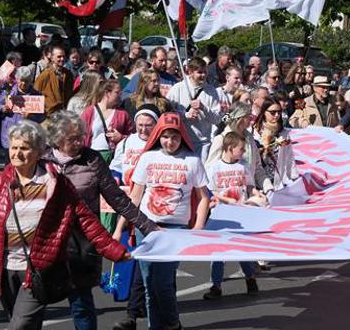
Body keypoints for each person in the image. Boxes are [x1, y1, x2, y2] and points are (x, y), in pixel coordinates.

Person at [0, 120, 130, 330]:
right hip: (5, 269)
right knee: (26, 324)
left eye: (24, 148)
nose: (17, 153)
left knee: (19, 326)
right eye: (14, 147)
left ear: (38, 152)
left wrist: (114, 250)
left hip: (37, 269)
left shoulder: (55, 184)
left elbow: (86, 220)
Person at [129, 112, 210, 330]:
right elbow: (135, 196)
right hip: (146, 227)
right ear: (158, 136)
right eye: (165, 136)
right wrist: (123, 227)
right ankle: (155, 326)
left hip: (176, 229)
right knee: (148, 285)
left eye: (174, 137)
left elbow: (204, 197)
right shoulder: (148, 158)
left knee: (162, 283)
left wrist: (199, 228)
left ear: (181, 136)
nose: (170, 141)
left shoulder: (192, 160)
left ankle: (172, 323)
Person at [109, 104, 160, 330]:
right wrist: (115, 179)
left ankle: (137, 308)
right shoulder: (127, 142)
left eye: (148, 126)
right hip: (126, 201)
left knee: (143, 260)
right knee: (131, 256)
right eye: (139, 125)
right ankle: (136, 304)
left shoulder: (159, 145)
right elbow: (115, 166)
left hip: (147, 207)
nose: (143, 130)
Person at [202, 132, 262, 300]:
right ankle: (216, 285)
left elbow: (250, 186)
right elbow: (210, 191)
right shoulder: (215, 168)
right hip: (221, 216)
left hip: (240, 215)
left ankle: (250, 278)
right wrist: (225, 199)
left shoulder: (243, 166)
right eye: (241, 149)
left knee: (241, 250)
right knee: (218, 253)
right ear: (230, 148)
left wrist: (257, 195)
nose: (243, 152)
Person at [166, 57, 223, 160]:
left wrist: (204, 108)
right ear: (190, 72)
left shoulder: (211, 91)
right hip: (181, 142)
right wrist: (185, 115)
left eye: (205, 72)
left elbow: (217, 119)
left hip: (202, 143)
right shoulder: (177, 89)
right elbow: (167, 114)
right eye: (200, 72)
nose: (203, 75)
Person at [206, 102, 263, 192]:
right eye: (249, 116)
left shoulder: (249, 138)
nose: (251, 118)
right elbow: (210, 170)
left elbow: (257, 167)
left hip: (246, 194)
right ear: (240, 118)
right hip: (224, 196)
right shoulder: (221, 139)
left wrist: (267, 187)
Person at [254, 99, 299, 198]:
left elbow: (289, 157)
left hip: (279, 179)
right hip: (261, 181)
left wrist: (295, 178)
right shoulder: (255, 132)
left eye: (279, 112)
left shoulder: (283, 132)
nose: (277, 115)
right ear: (264, 112)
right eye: (273, 112)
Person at [80, 80, 133, 163]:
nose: (120, 96)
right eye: (117, 92)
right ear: (107, 93)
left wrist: (121, 137)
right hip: (90, 158)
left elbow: (132, 137)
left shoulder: (123, 114)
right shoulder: (89, 112)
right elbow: (80, 135)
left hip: (113, 158)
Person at [0, 66, 45, 151]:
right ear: (17, 79)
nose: (24, 83)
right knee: (9, 160)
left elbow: (42, 116)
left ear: (30, 81)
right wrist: (2, 108)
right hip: (9, 132)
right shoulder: (8, 92)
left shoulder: (36, 95)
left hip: (26, 134)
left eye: (27, 81)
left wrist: (31, 116)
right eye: (21, 80)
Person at [34, 44, 74, 115]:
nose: (62, 59)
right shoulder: (45, 75)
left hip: (65, 113)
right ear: (52, 58)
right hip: (49, 115)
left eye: (64, 56)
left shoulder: (68, 74)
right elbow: (35, 93)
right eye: (59, 57)